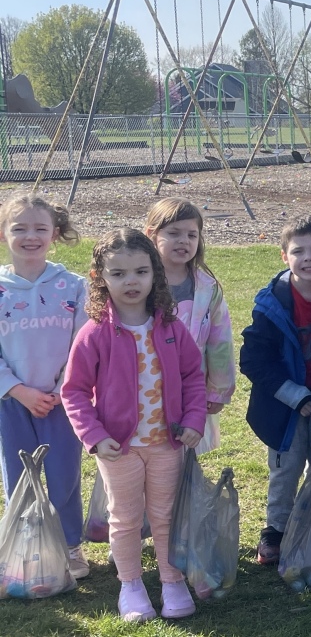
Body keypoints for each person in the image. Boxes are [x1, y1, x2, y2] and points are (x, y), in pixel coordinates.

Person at [61, 229, 205, 622]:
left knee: (165, 515)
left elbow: (194, 376)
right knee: (124, 518)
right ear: (99, 277)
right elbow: (72, 391)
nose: (131, 282)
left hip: (166, 444)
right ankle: (131, 584)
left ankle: (172, 580)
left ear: (155, 274)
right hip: (117, 448)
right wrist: (94, 436)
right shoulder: (94, 333)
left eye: (141, 271)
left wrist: (193, 420)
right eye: (119, 273)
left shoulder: (172, 328)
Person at [241, 215, 311, 565]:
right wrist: (296, 396)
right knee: (286, 469)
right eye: (298, 251)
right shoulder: (271, 304)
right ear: (283, 257)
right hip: (285, 407)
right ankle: (276, 530)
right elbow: (254, 361)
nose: (309, 258)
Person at [0, 193, 89, 579]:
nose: (30, 236)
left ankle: (69, 546)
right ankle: (29, 545)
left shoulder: (73, 286)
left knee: (63, 473)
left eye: (40, 228)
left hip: (63, 401)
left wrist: (62, 387)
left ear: (55, 233)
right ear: (4, 234)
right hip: (11, 401)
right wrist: (19, 390)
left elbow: (83, 344)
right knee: (19, 478)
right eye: (19, 228)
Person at [144, 198, 235, 456]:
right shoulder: (139, 282)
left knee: (184, 457)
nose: (183, 240)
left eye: (191, 235)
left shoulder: (207, 288)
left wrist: (218, 390)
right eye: (173, 233)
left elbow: (220, 341)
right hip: (145, 385)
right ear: (152, 235)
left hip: (190, 390)